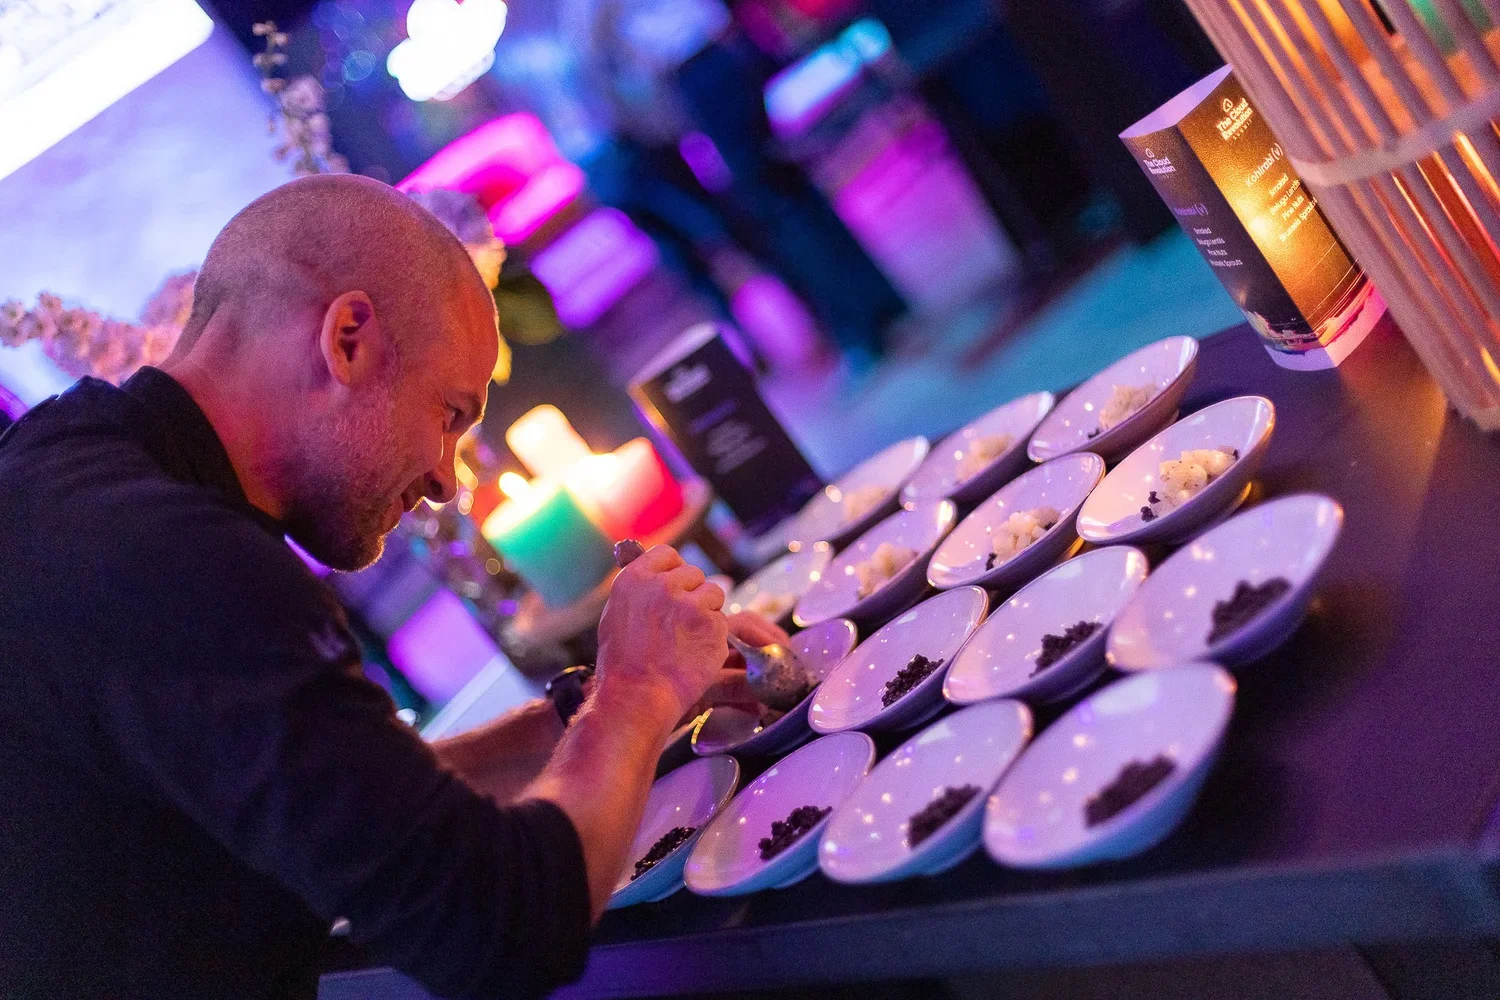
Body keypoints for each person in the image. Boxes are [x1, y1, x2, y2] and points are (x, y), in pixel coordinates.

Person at [0, 174, 778, 998]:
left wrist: (576, 721)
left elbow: (340, 798)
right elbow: (504, 929)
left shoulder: (70, 468)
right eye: (449, 414)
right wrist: (639, 687)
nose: (446, 481)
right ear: (347, 339)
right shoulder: (175, 560)